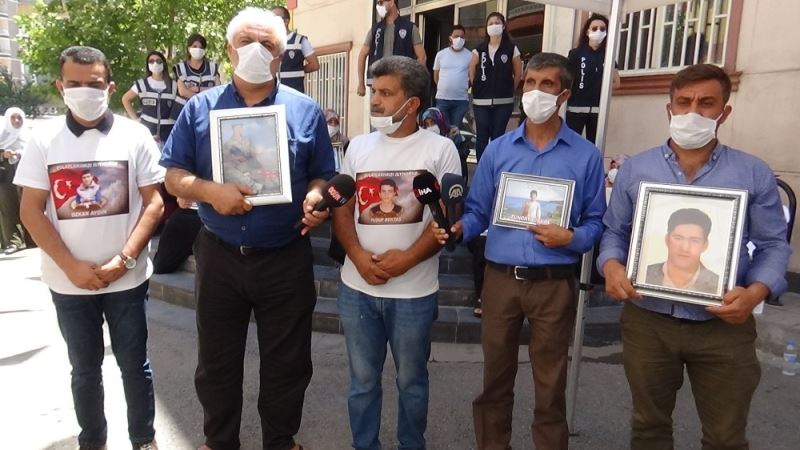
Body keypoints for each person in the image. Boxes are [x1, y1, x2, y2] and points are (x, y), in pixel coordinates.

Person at [160, 8, 335, 450]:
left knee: (288, 362)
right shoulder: (200, 108)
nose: (256, 50)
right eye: (246, 42)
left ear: (280, 54)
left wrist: (316, 197)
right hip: (219, 254)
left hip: (285, 255)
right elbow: (173, 176)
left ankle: (281, 440)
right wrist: (209, 191)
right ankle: (219, 441)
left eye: (267, 44)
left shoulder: (305, 111)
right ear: (229, 50)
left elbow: (322, 174)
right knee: (216, 362)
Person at [598, 64, 791, 450]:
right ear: (669, 109)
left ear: (724, 112)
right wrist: (612, 266)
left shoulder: (752, 173)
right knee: (648, 428)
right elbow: (614, 232)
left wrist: (755, 293)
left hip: (724, 324)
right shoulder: (636, 170)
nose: (693, 112)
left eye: (706, 103)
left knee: (725, 437)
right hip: (648, 320)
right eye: (684, 102)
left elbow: (773, 244)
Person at [433, 52, 605, 450]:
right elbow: (478, 210)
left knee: (550, 384)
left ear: (564, 95)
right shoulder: (497, 151)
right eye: (530, 83)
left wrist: (571, 238)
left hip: (553, 282)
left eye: (547, 85)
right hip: (500, 280)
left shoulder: (585, 156)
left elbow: (597, 222)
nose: (535, 92)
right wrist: (460, 227)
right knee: (495, 379)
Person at [15, 45, 164, 450]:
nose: (85, 91)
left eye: (94, 84)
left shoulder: (134, 135)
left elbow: (154, 203)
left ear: (110, 87)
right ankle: (92, 441)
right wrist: (70, 267)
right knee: (84, 370)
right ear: (60, 86)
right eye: (75, 83)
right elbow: (30, 210)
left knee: (135, 366)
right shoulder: (43, 139)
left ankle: (143, 439)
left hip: (127, 279)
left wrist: (124, 259)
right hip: (68, 283)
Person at [333, 55, 461, 450]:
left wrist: (406, 259)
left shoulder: (441, 150)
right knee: (362, 382)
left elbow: (445, 221)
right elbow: (342, 208)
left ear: (412, 103)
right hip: (357, 289)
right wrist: (356, 256)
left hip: (414, 294)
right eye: (374, 91)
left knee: (412, 382)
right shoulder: (358, 146)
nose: (375, 100)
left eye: (386, 93)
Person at [469, 12, 523, 161]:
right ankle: (481, 167)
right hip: (481, 102)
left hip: (503, 102)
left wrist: (508, 89)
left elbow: (518, 74)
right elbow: (472, 73)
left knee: (498, 137)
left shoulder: (511, 48)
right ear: (486, 28)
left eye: (497, 22)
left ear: (503, 26)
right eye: (490, 23)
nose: (494, 25)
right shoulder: (479, 50)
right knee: (482, 137)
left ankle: (496, 166)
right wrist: (479, 87)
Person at [566, 13, 621, 143]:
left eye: (602, 29)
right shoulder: (575, 54)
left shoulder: (608, 56)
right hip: (575, 109)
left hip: (598, 110)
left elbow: (617, 83)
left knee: (595, 146)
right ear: (587, 31)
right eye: (595, 28)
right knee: (571, 144)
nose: (598, 31)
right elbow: (567, 78)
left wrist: (600, 88)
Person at [356, 0, 426, 97]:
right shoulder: (375, 29)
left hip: (400, 84)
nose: (378, 6)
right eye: (377, 3)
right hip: (378, 83)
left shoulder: (409, 28)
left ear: (391, 2)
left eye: (381, 2)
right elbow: (362, 55)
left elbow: (422, 57)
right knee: (378, 107)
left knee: (398, 107)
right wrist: (361, 83)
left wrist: (415, 82)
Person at [644, 208, 720, 294]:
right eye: (678, 238)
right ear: (667, 240)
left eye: (694, 240)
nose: (685, 248)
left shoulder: (719, 285)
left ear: (705, 245)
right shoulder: (642, 275)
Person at [121, 50, 180, 145]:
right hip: (147, 136)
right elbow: (125, 99)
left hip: (168, 137)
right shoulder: (141, 84)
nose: (155, 63)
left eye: (158, 61)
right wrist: (135, 119)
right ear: (148, 65)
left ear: (164, 64)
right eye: (151, 61)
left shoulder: (174, 85)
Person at [0, 107, 28, 254]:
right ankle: (13, 242)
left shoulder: (29, 137)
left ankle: (32, 240)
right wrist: (3, 155)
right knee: (7, 208)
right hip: (5, 177)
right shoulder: (1, 136)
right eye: (13, 118)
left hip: (26, 178)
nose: (16, 121)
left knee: (28, 208)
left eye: (19, 118)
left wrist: (23, 153)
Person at [272, 6, 319, 93]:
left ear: (286, 21)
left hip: (294, 93)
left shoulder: (300, 40)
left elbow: (314, 65)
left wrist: (297, 70)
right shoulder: (267, 42)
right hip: (272, 94)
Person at [433, 24, 471, 129]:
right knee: (443, 129)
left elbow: (472, 76)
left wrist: (463, 87)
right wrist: (443, 87)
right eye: (456, 36)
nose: (459, 39)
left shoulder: (470, 55)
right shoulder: (441, 54)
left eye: (462, 37)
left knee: (456, 130)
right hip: (442, 99)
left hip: (461, 101)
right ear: (450, 37)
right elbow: (436, 75)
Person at [173, 33, 221, 103]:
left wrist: (197, 88)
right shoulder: (180, 68)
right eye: (194, 46)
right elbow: (183, 92)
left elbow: (217, 89)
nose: (198, 49)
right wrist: (202, 100)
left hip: (206, 108)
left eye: (201, 47)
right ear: (189, 48)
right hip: (183, 107)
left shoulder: (212, 67)